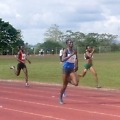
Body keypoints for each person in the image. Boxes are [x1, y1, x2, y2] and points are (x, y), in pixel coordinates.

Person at [59, 39, 79, 104]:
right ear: (67, 44)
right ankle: (60, 98)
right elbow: (62, 59)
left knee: (76, 83)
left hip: (71, 69)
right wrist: (71, 55)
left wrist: (76, 65)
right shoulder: (66, 50)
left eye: (72, 42)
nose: (71, 43)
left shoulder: (74, 50)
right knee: (64, 85)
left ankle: (67, 80)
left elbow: (76, 58)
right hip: (65, 68)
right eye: (70, 43)